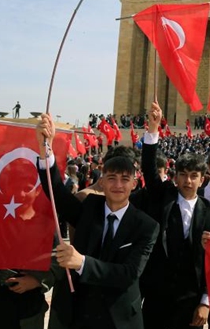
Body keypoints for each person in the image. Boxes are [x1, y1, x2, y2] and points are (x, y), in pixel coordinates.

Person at [35, 113, 159, 329]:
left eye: (124, 179)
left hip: (118, 319)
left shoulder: (146, 226)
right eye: (111, 178)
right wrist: (45, 146)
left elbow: (128, 274)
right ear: (102, 182)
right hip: (80, 313)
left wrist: (81, 262)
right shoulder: (90, 207)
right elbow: (57, 194)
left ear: (134, 184)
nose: (118, 185)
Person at [139, 102, 210, 329]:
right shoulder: (164, 196)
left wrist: (206, 301)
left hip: (190, 299)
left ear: (202, 179)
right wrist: (153, 130)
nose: (188, 181)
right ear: (175, 178)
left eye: (194, 176)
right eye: (183, 175)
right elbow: (149, 169)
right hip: (157, 296)